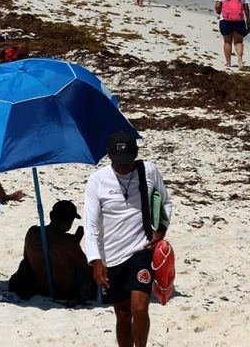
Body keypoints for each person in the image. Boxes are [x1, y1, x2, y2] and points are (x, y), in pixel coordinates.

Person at [83, 131, 172, 347]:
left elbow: (166, 203)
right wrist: (96, 260)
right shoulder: (97, 181)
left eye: (128, 161)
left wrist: (160, 230)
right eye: (118, 162)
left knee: (140, 309)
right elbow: (91, 224)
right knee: (122, 314)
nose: (123, 166)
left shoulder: (148, 171)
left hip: (141, 250)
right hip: (111, 255)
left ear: (136, 154)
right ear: (108, 155)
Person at [14, 200, 91, 302]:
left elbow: (26, 259)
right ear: (70, 221)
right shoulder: (68, 241)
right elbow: (88, 270)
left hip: (38, 288)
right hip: (63, 293)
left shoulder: (32, 233)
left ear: (51, 215)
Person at [214, 0, 250, 69]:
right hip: (239, 21)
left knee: (227, 42)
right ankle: (239, 58)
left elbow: (217, 6)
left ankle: (228, 62)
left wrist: (219, 12)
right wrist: (248, 20)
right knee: (238, 42)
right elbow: (246, 9)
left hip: (225, 20)